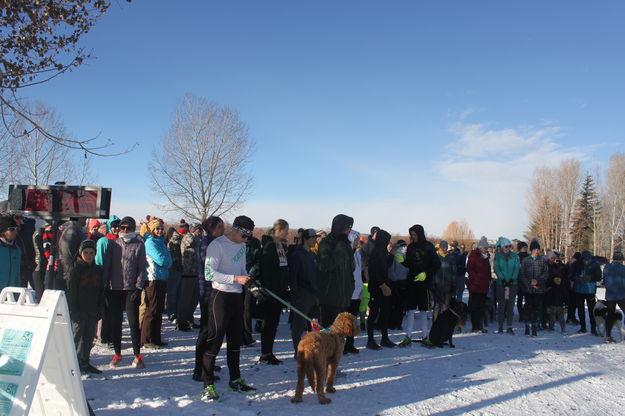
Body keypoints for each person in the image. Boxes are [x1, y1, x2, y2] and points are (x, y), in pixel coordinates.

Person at [200, 215, 257, 401]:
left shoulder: (241, 246)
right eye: (245, 236)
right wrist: (235, 279)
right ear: (237, 230)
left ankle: (235, 379)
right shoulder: (216, 245)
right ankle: (207, 384)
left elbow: (242, 270)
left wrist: (249, 281)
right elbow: (209, 274)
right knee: (214, 341)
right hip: (220, 297)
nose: (247, 240)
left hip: (237, 297)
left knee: (235, 341)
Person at [102, 216, 147, 369]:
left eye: (128, 228)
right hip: (114, 288)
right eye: (123, 227)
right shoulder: (113, 244)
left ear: (133, 229)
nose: (125, 230)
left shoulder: (139, 245)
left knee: (133, 322)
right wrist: (105, 286)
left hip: (131, 289)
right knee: (116, 322)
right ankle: (117, 353)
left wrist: (139, 286)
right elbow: (107, 266)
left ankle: (137, 354)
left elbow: (142, 268)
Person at [192, 216, 225, 381]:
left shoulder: (215, 243)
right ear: (212, 229)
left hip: (214, 293)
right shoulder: (207, 245)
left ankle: (208, 362)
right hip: (208, 293)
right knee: (206, 331)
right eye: (220, 227)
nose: (223, 230)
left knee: (212, 330)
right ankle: (199, 369)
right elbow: (213, 268)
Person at [68, 240, 103, 374]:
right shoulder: (76, 269)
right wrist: (73, 310)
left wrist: (100, 309)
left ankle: (85, 362)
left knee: (88, 338)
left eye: (91, 253)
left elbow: (101, 291)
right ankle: (74, 364)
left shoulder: (98, 270)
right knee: (77, 337)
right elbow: (72, 292)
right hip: (79, 309)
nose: (88, 256)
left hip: (92, 308)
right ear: (80, 253)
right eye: (86, 253)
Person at [258, 219, 290, 365]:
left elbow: (282, 269)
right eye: (286, 230)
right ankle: (266, 353)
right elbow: (268, 270)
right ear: (279, 229)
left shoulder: (280, 246)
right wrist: (271, 290)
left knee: (274, 322)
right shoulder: (270, 246)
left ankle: (268, 351)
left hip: (279, 292)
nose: (288, 233)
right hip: (271, 293)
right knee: (269, 323)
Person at [402, 224, 440, 341]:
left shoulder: (428, 246)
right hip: (412, 282)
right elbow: (409, 263)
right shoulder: (411, 246)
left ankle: (425, 336)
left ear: (420, 234)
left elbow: (436, 264)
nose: (413, 237)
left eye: (415, 234)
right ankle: (408, 335)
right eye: (411, 235)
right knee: (410, 310)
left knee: (424, 310)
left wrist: (426, 274)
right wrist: (402, 261)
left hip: (425, 284)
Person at [317, 214, 355, 328]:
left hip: (344, 295)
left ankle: (347, 346)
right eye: (347, 228)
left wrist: (350, 286)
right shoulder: (326, 243)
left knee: (343, 330)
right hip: (330, 296)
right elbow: (327, 265)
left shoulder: (346, 244)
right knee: (330, 331)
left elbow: (351, 267)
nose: (348, 231)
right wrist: (340, 247)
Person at [141, 218, 172, 349]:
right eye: (157, 229)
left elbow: (169, 260)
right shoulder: (150, 242)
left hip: (162, 278)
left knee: (159, 310)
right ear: (152, 230)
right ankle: (147, 339)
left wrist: (167, 261)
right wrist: (167, 261)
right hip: (152, 278)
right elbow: (161, 259)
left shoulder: (161, 242)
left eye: (161, 228)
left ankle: (156, 337)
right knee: (152, 309)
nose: (159, 231)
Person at [288, 228, 320, 352]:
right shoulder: (296, 255)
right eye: (313, 238)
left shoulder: (313, 254)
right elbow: (293, 277)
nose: (315, 240)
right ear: (306, 239)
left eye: (316, 238)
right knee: (298, 325)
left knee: (315, 324)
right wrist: (295, 295)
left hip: (314, 294)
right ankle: (298, 351)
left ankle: (314, 348)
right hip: (302, 295)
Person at [366, 229, 396, 349]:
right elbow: (373, 271)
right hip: (376, 287)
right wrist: (382, 285)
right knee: (373, 314)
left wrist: (392, 254)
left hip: (384, 285)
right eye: (387, 240)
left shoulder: (382, 251)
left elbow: (386, 266)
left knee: (385, 313)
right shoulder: (375, 251)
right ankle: (370, 340)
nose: (388, 242)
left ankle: (384, 338)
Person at [95, 215, 120, 346]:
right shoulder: (103, 242)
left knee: (114, 310)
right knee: (105, 310)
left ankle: (111, 335)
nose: (116, 229)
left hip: (118, 281)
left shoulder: (120, 241)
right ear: (110, 227)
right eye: (114, 226)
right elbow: (99, 261)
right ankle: (103, 337)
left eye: (118, 226)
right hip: (105, 280)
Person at [519, 239, 549, 337]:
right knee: (528, 307)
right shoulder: (526, 260)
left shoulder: (543, 261)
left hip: (539, 289)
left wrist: (538, 281)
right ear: (531, 250)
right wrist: (529, 283)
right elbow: (522, 274)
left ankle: (535, 327)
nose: (537, 251)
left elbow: (546, 274)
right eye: (535, 249)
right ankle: (527, 326)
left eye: (538, 249)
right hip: (528, 289)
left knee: (537, 308)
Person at [571, 250, 601, 335]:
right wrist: (575, 278)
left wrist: (591, 278)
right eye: (584, 260)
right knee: (580, 310)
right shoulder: (576, 264)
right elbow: (570, 275)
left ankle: (593, 328)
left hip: (590, 290)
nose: (586, 262)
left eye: (587, 260)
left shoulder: (595, 264)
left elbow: (599, 277)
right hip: (579, 290)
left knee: (592, 310)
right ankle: (583, 327)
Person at [178, 223, 202, 331]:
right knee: (185, 300)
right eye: (198, 229)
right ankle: (181, 322)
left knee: (193, 300)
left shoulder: (197, 238)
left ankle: (189, 320)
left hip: (195, 272)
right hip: (187, 273)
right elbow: (191, 243)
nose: (200, 231)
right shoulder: (188, 237)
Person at [493, 237, 520, 334]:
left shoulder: (515, 256)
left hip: (512, 284)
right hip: (501, 284)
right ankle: (500, 326)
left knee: (510, 305)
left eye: (509, 246)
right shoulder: (498, 256)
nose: (508, 248)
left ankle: (509, 326)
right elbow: (496, 267)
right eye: (506, 246)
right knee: (501, 305)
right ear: (502, 247)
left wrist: (512, 279)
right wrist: (503, 279)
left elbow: (517, 268)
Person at [467, 237, 492, 333]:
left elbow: (488, 270)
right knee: (474, 306)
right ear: (480, 247)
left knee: (482, 306)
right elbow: (469, 269)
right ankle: (475, 326)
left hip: (484, 286)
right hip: (475, 285)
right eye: (485, 247)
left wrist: (489, 279)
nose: (486, 249)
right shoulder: (473, 256)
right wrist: (477, 278)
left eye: (487, 247)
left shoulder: (486, 257)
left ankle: (480, 326)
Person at [345, 229, 363, 353]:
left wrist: (361, 288)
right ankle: (343, 344)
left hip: (357, 291)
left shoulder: (357, 254)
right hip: (347, 292)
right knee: (345, 320)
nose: (357, 242)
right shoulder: (346, 253)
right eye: (355, 240)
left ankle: (350, 343)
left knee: (353, 319)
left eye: (358, 240)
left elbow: (359, 273)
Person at [602, 251, 625, 342]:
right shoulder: (623, 268)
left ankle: (608, 336)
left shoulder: (606, 267)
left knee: (610, 315)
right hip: (621, 295)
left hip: (610, 295)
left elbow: (605, 281)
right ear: (621, 260)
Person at [432, 240, 456, 322]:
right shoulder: (435, 258)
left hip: (448, 285)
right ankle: (435, 324)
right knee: (437, 305)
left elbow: (454, 272)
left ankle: (445, 324)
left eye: (445, 247)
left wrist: (453, 284)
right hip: (437, 285)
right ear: (439, 248)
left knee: (446, 306)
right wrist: (432, 283)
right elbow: (432, 272)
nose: (443, 248)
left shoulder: (451, 258)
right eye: (442, 247)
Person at [166, 227, 183, 327]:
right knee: (172, 293)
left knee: (178, 293)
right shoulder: (171, 243)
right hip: (173, 269)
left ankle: (176, 312)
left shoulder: (179, 242)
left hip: (180, 268)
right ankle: (171, 313)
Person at [0, 216, 21, 292]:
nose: (15, 232)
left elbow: (17, 275)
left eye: (16, 229)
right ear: (3, 231)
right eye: (11, 229)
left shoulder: (16, 249)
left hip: (10, 295)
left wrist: (17, 293)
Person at [516, 241, 529, 319]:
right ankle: (521, 314)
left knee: (528, 299)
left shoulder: (529, 256)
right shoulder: (517, 257)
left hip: (527, 280)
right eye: (524, 247)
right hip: (519, 281)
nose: (525, 249)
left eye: (526, 247)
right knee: (520, 299)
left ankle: (525, 313)